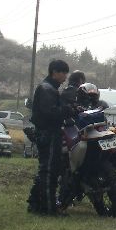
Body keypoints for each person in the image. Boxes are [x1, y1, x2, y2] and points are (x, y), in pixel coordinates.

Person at [27, 59, 75, 216]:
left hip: (46, 132)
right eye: (63, 73)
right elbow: (51, 112)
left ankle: (35, 204)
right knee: (49, 170)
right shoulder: (47, 89)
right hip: (49, 133)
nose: (65, 76)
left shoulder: (49, 87)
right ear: (55, 72)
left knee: (46, 169)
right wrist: (68, 110)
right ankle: (48, 208)